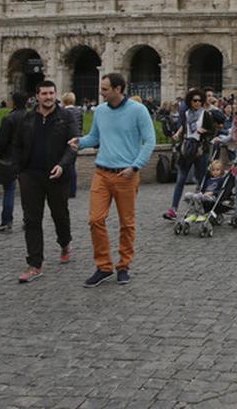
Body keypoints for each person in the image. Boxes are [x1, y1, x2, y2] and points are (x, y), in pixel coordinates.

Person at [69, 73, 155, 288]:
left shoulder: (138, 111)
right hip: (102, 172)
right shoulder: (101, 111)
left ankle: (124, 266)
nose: (101, 92)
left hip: (126, 175)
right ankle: (103, 266)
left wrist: (135, 166)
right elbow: (95, 137)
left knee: (127, 223)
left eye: (105, 89)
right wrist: (79, 142)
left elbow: (149, 140)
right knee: (95, 219)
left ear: (118, 89)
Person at [12, 81, 78, 284]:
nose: (48, 97)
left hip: (56, 175)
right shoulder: (27, 118)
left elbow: (73, 145)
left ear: (56, 94)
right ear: (37, 96)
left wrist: (63, 165)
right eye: (44, 93)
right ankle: (35, 264)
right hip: (31, 175)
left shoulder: (66, 117)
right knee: (31, 220)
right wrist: (18, 170)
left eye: (51, 93)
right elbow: (16, 145)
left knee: (60, 214)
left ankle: (65, 242)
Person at [164, 88, 215, 221]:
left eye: (199, 100)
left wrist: (204, 131)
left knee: (201, 179)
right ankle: (173, 209)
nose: (197, 103)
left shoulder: (205, 114)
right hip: (187, 148)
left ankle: (202, 208)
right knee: (181, 179)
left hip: (200, 150)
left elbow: (212, 131)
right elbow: (185, 127)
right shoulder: (186, 114)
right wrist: (178, 134)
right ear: (190, 101)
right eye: (194, 100)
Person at [0, 92, 28, 233]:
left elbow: (1, 141)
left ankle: (6, 222)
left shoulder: (8, 118)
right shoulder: (32, 117)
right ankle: (28, 220)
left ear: (13, 102)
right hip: (27, 158)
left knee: (9, 191)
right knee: (27, 192)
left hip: (10, 159)